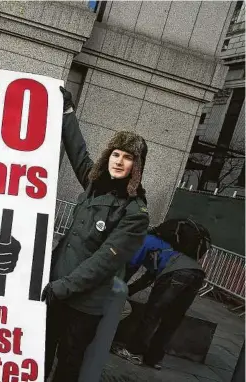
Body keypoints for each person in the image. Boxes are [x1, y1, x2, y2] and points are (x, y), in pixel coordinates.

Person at [40, 88, 150, 381]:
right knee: (38, 357)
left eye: (127, 157)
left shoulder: (135, 213)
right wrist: (67, 113)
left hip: (83, 303)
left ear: (135, 166)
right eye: (115, 153)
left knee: (68, 365)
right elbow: (78, 151)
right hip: (56, 289)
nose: (119, 160)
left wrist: (63, 287)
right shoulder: (94, 183)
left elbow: (104, 261)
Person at [113, 218, 211, 370]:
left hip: (176, 274)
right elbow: (146, 280)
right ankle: (153, 359)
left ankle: (133, 352)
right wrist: (128, 291)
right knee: (172, 320)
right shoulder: (170, 249)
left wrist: (117, 289)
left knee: (152, 315)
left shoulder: (145, 240)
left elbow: (130, 267)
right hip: (196, 274)